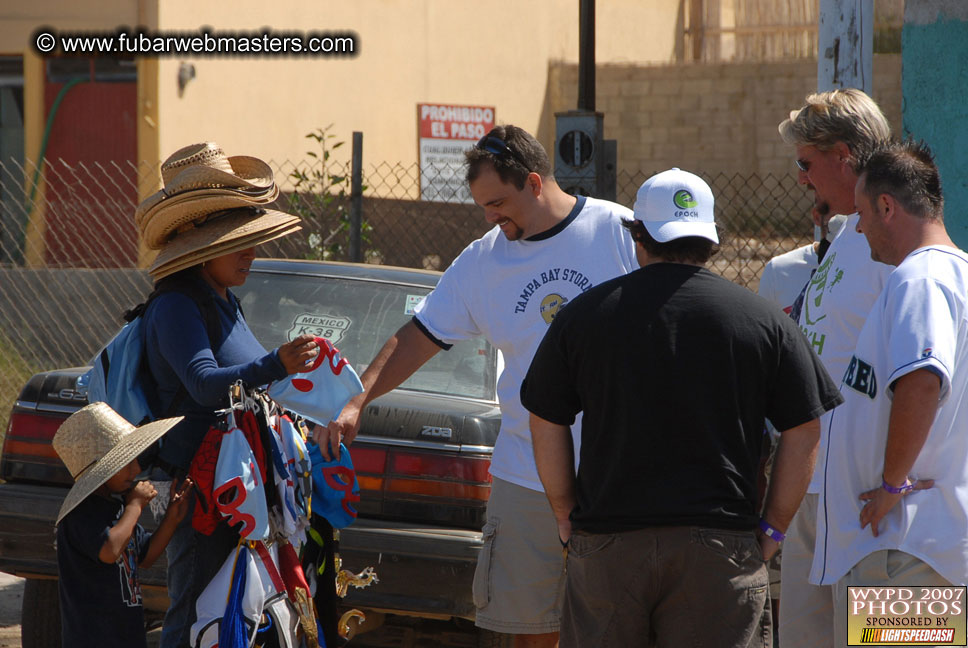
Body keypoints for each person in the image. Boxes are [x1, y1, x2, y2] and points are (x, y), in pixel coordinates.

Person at [325, 125, 638, 646]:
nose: (489, 217)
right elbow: (418, 336)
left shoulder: (619, 231)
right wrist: (360, 398)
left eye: (498, 203)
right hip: (525, 475)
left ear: (534, 183)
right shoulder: (483, 260)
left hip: (620, 472)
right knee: (528, 628)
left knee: (617, 627)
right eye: (482, 206)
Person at [520, 167, 843, 647]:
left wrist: (566, 514)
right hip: (720, 548)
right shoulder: (761, 320)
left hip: (608, 543)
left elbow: (545, 417)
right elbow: (804, 429)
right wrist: (772, 530)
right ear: (710, 238)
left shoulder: (584, 316)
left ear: (639, 236)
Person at [133, 142, 320, 648]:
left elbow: (248, 382)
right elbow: (203, 382)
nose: (250, 252)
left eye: (250, 238)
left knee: (234, 612)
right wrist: (275, 363)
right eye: (235, 241)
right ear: (199, 245)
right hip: (200, 493)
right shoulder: (175, 305)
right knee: (196, 611)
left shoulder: (222, 298)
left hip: (238, 483)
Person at [811, 139, 968, 645]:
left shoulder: (920, 279)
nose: (857, 228)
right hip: (920, 549)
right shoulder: (954, 275)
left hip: (906, 549)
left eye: (860, 212)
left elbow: (922, 382)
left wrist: (891, 486)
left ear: (886, 206)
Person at [774, 88, 894, 647]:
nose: (801, 178)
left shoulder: (898, 247)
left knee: (885, 638)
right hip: (816, 485)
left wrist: (893, 479)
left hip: (875, 499)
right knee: (805, 637)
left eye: (806, 163)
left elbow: (923, 377)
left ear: (843, 155)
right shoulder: (848, 236)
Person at [52, 402, 193, 648]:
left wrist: (172, 518)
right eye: (126, 463)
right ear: (101, 471)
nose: (137, 470)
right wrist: (135, 505)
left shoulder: (116, 506)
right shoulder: (82, 515)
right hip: (94, 638)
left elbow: (144, 557)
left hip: (125, 633)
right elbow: (110, 550)